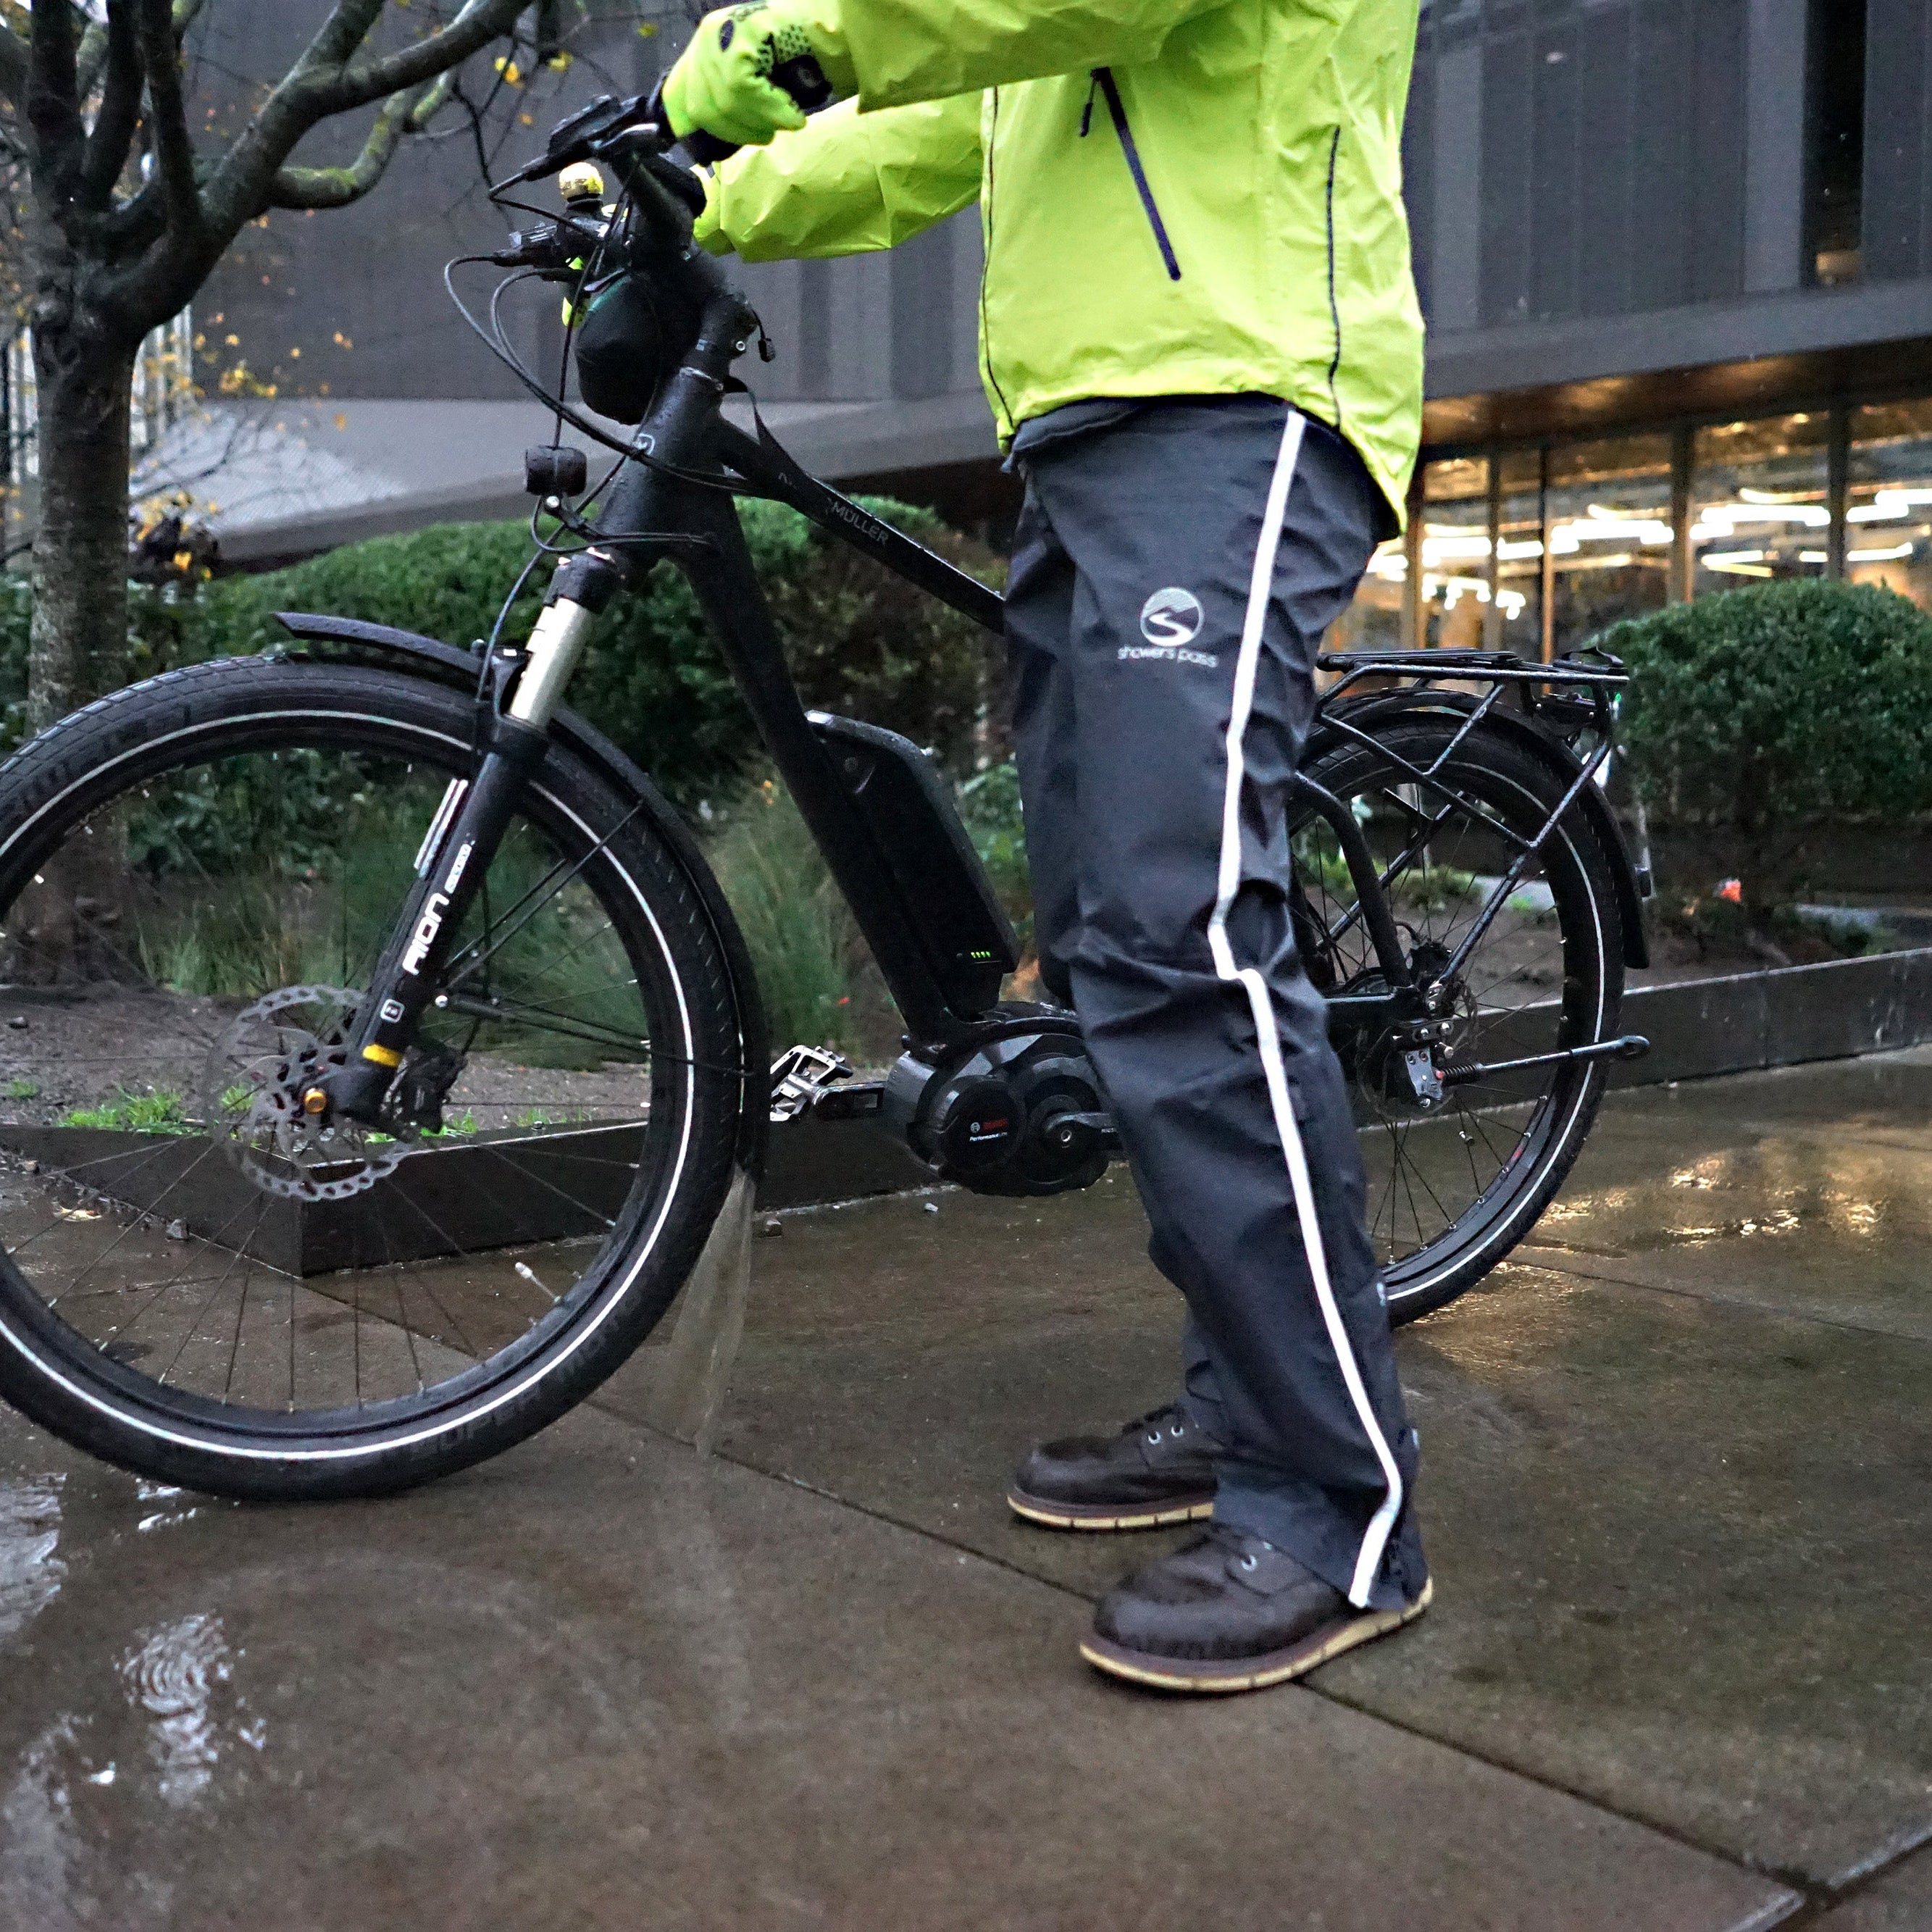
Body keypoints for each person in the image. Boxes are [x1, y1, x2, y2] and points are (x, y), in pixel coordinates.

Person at [662, 0, 1430, 1694]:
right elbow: (939, 121)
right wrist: (700, 193)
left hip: (1239, 394)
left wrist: (774, 38)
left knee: (1179, 941)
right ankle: (1240, 1402)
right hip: (1083, 426)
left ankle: (1335, 1499)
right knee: (1103, 949)